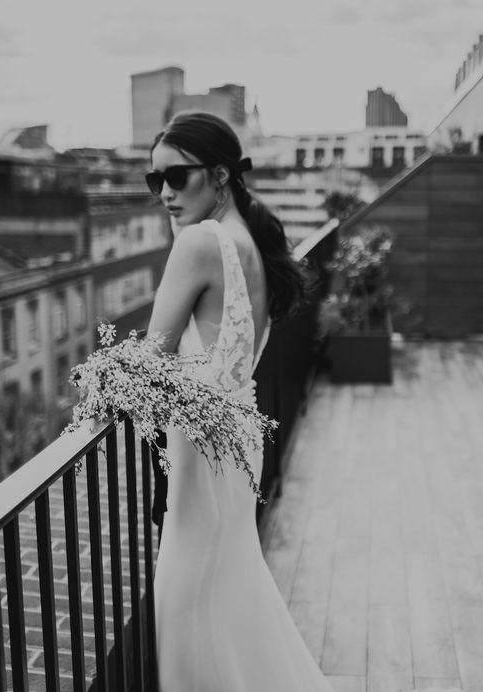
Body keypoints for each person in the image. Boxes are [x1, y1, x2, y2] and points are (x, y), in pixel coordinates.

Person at [146, 112, 335, 691]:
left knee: (184, 608)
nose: (165, 193)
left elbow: (151, 358)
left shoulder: (201, 242)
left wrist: (102, 391)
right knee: (227, 594)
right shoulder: (249, 241)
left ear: (221, 174)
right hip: (236, 442)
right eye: (153, 181)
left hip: (203, 456)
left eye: (177, 177)